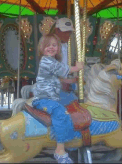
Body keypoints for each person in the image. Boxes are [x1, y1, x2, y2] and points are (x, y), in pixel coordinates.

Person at [32, 34, 84, 163]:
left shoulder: (53, 61)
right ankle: (59, 150)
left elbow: (60, 77)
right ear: (41, 48)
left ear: (59, 48)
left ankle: (71, 140)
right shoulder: (46, 60)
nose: (51, 47)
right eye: (47, 45)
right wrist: (77, 67)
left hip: (51, 98)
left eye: (54, 45)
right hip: (43, 99)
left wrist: (74, 79)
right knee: (61, 112)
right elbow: (63, 70)